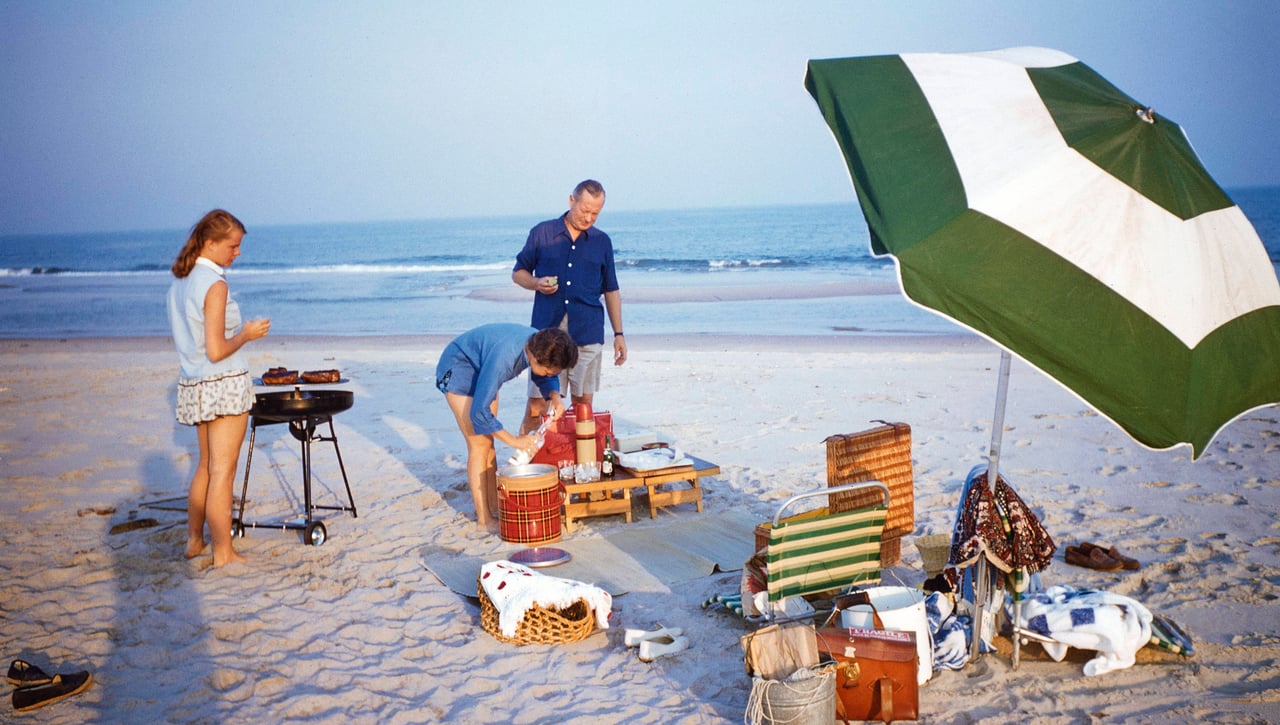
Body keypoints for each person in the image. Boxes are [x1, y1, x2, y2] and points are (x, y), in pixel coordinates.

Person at [166, 209, 270, 568]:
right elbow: (216, 349)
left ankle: (195, 541)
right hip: (223, 385)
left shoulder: (180, 281)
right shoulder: (215, 284)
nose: (237, 253)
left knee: (207, 467)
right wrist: (246, 334)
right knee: (223, 473)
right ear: (210, 243)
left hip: (195, 383)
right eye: (233, 246)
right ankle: (223, 552)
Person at [512, 179, 627, 435]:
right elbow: (518, 273)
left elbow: (611, 289)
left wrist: (619, 334)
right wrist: (536, 283)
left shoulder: (602, 242)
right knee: (537, 405)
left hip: (587, 332)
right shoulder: (542, 233)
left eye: (595, 213)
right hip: (546, 336)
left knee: (583, 405)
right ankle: (527, 463)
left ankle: (577, 462)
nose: (588, 217)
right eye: (584, 210)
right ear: (571, 200)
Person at [435, 324, 578, 530]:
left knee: (489, 443)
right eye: (549, 371)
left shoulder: (540, 344)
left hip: (483, 367)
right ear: (535, 358)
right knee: (478, 444)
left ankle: (495, 506)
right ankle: (484, 519)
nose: (550, 375)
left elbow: (543, 374)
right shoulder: (504, 359)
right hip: (458, 366)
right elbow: (479, 412)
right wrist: (514, 440)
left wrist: (555, 397)